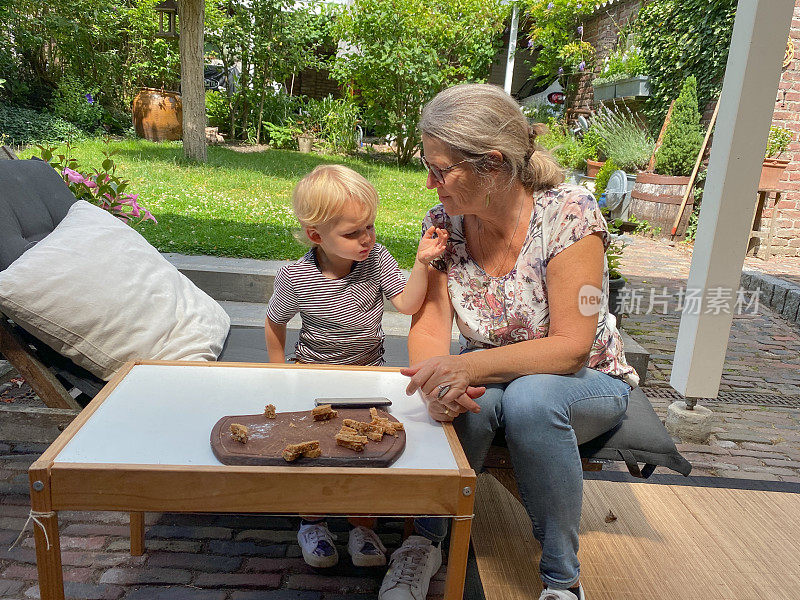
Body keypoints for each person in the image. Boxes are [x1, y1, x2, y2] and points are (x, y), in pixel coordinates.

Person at [381, 83, 640, 600]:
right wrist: (438, 383)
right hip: (494, 372)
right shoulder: (444, 225)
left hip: (587, 378)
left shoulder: (569, 214)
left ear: (493, 165)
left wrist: (467, 369)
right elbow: (431, 325)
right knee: (467, 405)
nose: (431, 183)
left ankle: (563, 581)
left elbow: (570, 345)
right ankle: (426, 543)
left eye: (442, 169)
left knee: (530, 398)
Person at [265, 164, 448, 569]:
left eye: (370, 227)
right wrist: (277, 372)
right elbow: (275, 322)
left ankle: (363, 525)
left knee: (366, 453)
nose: (366, 239)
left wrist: (421, 263)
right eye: (353, 233)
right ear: (316, 235)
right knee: (315, 455)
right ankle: (311, 522)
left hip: (367, 378)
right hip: (313, 376)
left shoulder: (376, 260)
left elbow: (406, 303)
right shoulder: (295, 277)